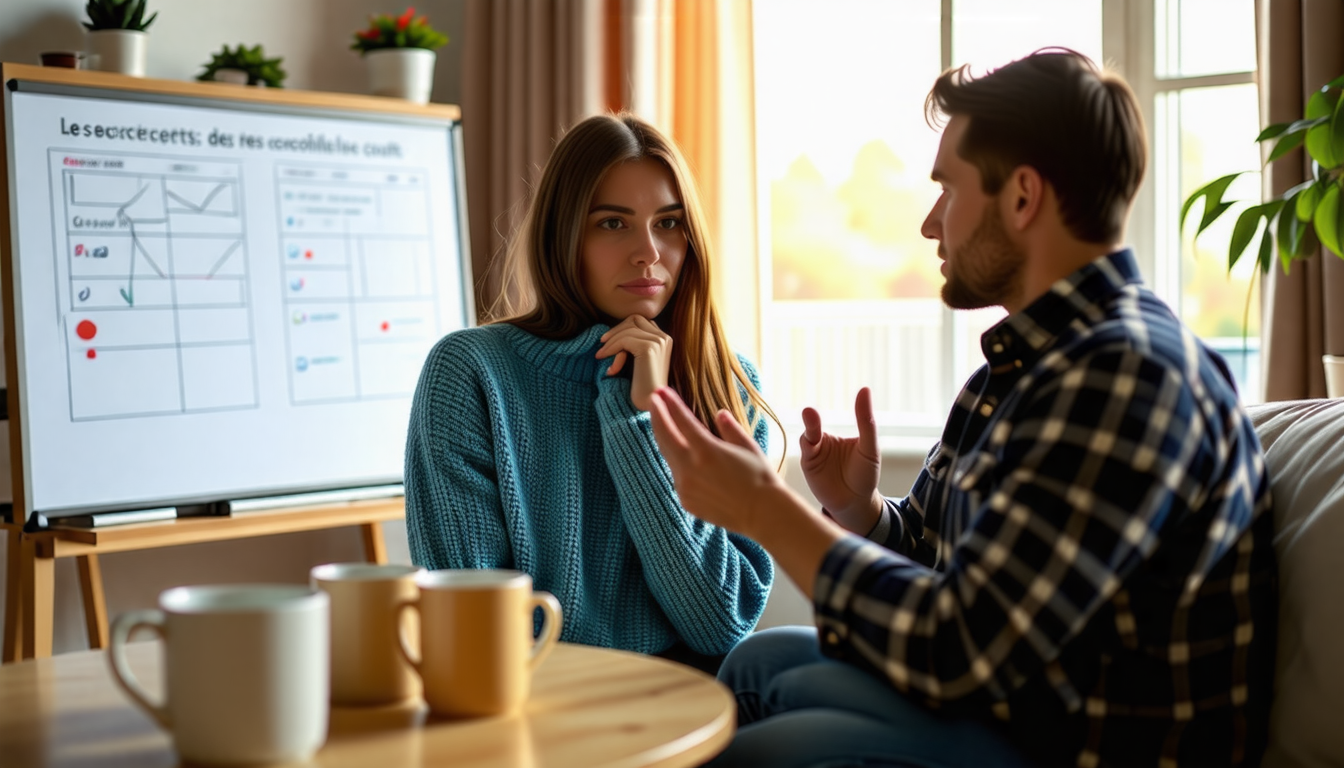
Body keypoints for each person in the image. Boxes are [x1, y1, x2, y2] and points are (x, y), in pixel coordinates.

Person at [648, 49, 1277, 767]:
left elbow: (960, 647)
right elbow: (930, 557)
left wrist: (766, 509)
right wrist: (864, 515)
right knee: (757, 668)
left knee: (750, 752)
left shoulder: (1127, 375)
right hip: (1011, 711)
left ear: (1021, 197)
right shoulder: (1018, 370)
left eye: (947, 188)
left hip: (1075, 745)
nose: (929, 222)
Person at [404, 112, 780, 670]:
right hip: (539, 704)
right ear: (565, 234)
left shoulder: (726, 382)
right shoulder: (471, 373)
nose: (648, 252)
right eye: (612, 223)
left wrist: (643, 420)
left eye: (669, 223)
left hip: (694, 703)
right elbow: (473, 622)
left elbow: (719, 622)